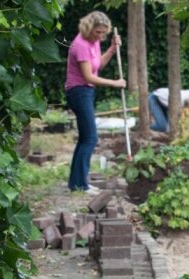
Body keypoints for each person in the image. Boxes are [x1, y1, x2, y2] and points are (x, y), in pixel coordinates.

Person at [65, 11, 125, 195]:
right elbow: (88, 76)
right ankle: (81, 184)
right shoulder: (81, 45)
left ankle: (76, 183)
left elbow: (97, 65)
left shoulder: (94, 41)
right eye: (97, 32)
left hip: (87, 91)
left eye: (103, 33)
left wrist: (112, 49)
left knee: (85, 137)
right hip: (78, 92)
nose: (100, 36)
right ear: (89, 27)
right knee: (91, 138)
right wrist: (114, 83)